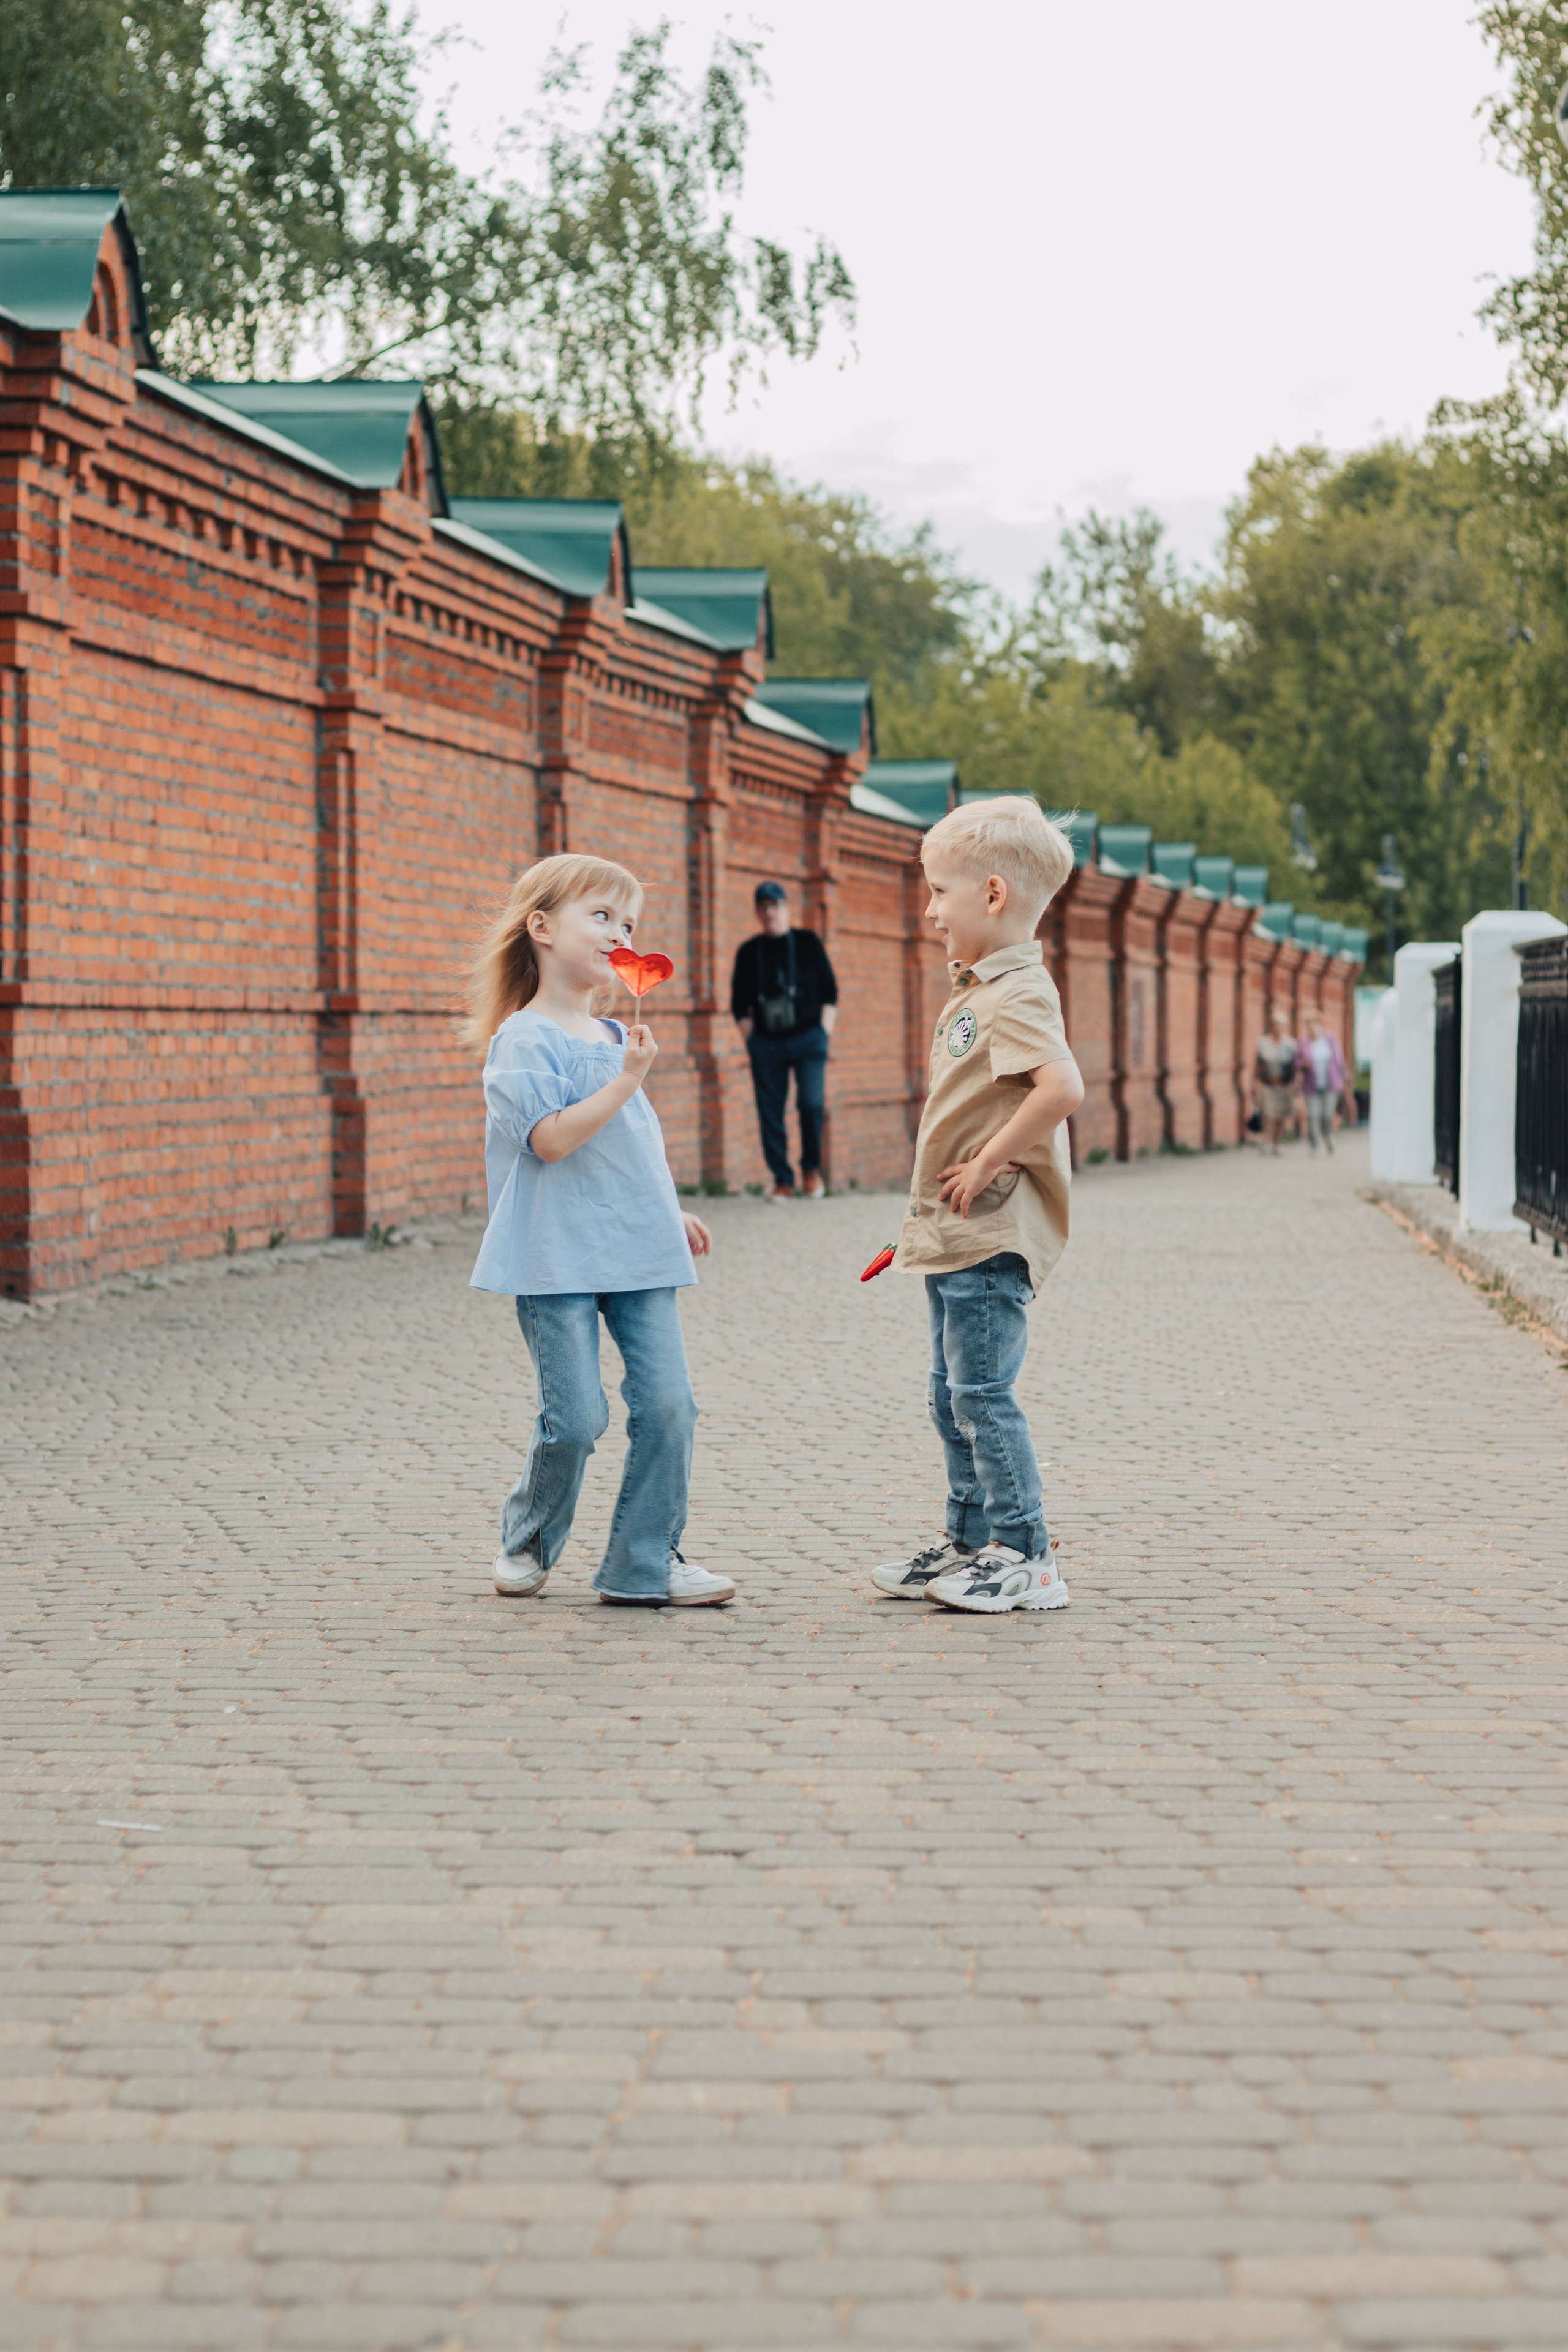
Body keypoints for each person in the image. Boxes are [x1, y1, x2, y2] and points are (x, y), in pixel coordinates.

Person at [468, 853, 736, 1608]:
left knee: (671, 1406)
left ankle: (644, 1562)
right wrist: (626, 1080)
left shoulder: (619, 1033)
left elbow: (631, 1146)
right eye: (602, 916)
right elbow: (551, 1141)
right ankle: (528, 1537)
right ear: (542, 926)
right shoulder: (524, 1039)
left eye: (629, 923)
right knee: (577, 1419)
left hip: (637, 1249)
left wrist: (667, 1208)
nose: (621, 934)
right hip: (553, 1255)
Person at [868, 797, 1084, 1617]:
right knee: (951, 1393)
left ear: (993, 895)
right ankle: (970, 1542)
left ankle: (1026, 1556)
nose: (930, 911)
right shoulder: (983, 988)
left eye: (938, 892)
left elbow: (1061, 1088)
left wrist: (991, 1159)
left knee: (981, 1395)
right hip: (958, 1232)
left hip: (992, 1233)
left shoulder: (1017, 990)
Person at [730, 881, 839, 1200]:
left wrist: (823, 1034)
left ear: (786, 908)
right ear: (757, 912)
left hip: (809, 1039)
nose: (770, 913)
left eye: (775, 905)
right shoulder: (749, 952)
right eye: (763, 907)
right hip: (768, 1043)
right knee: (770, 1111)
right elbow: (739, 1005)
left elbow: (830, 992)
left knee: (811, 1103)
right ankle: (783, 1180)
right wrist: (754, 1042)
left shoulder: (808, 943)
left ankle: (811, 1170)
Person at [1296, 1010, 1347, 1155]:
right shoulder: (1303, 1042)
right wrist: (1303, 1064)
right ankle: (1314, 1145)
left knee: (1327, 1115)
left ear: (1319, 1024)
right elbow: (1296, 1061)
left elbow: (1339, 1059)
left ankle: (1328, 1136)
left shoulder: (1330, 1039)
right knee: (1313, 1115)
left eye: (1314, 1023)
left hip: (1331, 1083)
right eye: (1308, 1024)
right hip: (1311, 1084)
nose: (1311, 1027)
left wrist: (1344, 1079)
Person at [1253, 1009, 1297, 1156]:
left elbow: (1295, 1067)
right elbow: (1257, 1065)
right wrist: (1254, 1084)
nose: (1278, 1028)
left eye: (1281, 1025)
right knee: (1268, 1114)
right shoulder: (1263, 1043)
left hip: (1284, 1085)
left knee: (1281, 1116)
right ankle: (1266, 1142)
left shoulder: (1291, 1044)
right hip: (1268, 1084)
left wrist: (1295, 1085)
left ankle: (1277, 1144)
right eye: (1276, 1025)